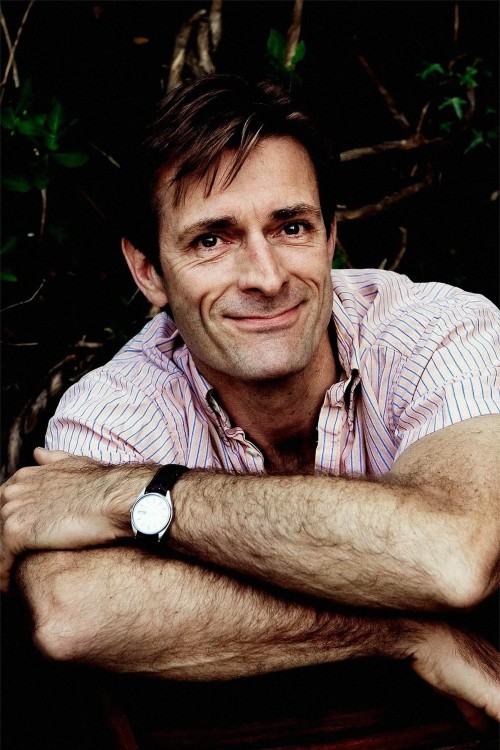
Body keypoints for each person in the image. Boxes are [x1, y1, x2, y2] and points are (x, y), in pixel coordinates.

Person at [1, 75, 499, 726]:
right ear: (149, 271)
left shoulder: (436, 334)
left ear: (329, 238)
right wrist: (400, 628)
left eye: (291, 226)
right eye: (211, 239)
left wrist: (132, 494)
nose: (266, 278)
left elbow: (454, 557)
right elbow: (72, 613)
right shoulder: (118, 407)